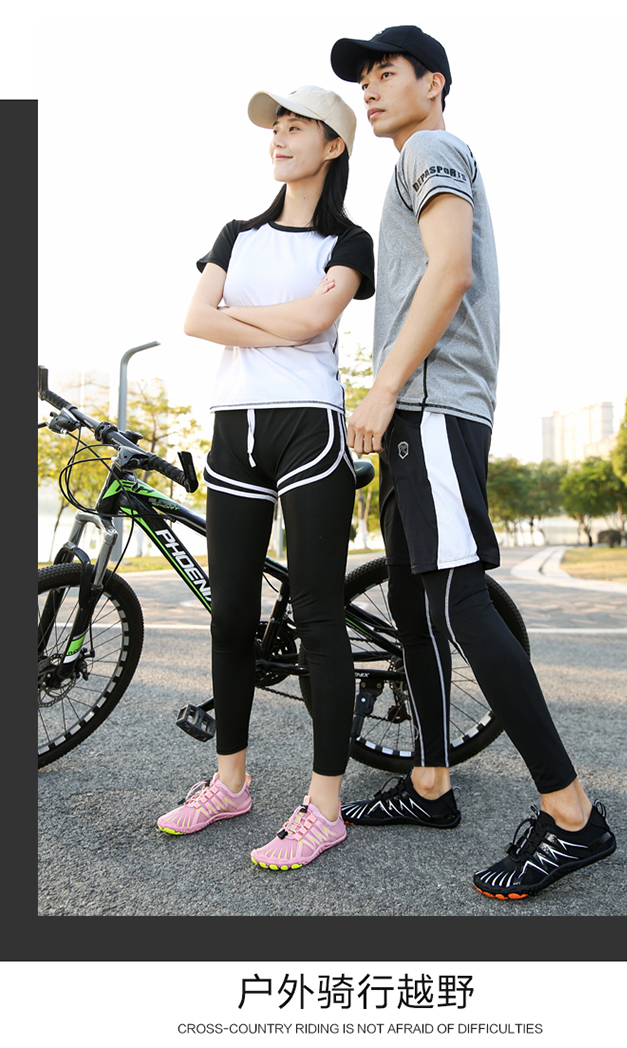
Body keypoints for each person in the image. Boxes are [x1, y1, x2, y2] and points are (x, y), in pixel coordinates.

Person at [329, 26, 616, 898]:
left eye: (386, 72)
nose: (371, 89)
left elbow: (450, 271)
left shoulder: (433, 149)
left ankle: (574, 816)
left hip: (432, 406)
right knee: (414, 604)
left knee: (458, 602)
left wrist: (383, 388)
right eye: (364, 78)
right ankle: (430, 784)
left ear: (435, 82)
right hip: (417, 411)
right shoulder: (411, 161)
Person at [157, 85, 375, 871]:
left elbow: (316, 323)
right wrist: (286, 321)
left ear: (333, 145)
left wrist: (254, 322)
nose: (278, 139)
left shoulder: (349, 241)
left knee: (317, 613)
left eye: (296, 127)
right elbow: (196, 319)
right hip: (234, 428)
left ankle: (324, 808)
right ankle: (230, 784)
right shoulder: (237, 233)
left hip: (309, 427)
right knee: (229, 617)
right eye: (274, 128)